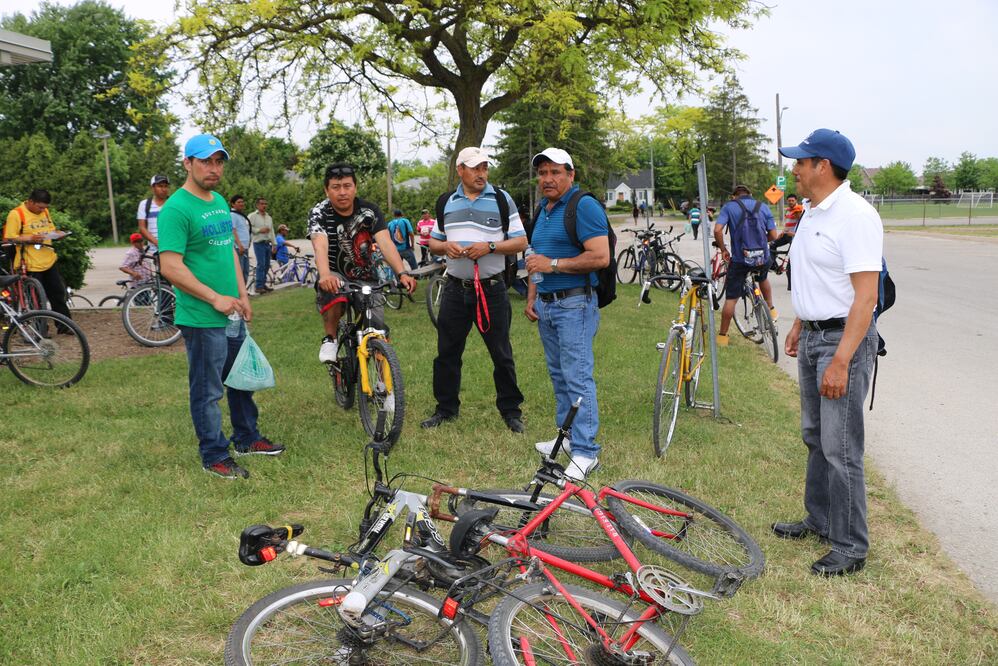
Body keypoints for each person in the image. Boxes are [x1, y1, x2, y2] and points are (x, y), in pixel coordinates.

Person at [774, 128, 883, 576]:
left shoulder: (855, 216)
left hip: (844, 343)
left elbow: (865, 297)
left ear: (823, 166)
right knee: (816, 437)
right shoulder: (814, 212)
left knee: (841, 447)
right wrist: (802, 320)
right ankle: (818, 519)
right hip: (817, 335)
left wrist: (841, 359)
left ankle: (850, 546)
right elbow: (818, 278)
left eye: (801, 161)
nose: (794, 169)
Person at [158, 133, 284, 480]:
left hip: (231, 311)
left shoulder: (217, 201)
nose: (214, 169)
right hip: (202, 316)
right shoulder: (176, 208)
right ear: (188, 163)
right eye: (205, 162)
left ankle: (246, 438)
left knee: (241, 379)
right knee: (208, 389)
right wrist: (215, 298)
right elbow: (170, 266)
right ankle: (213, 454)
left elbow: (226, 250)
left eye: (218, 162)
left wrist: (242, 294)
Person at [420, 146, 528, 433]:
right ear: (460, 170)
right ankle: (445, 409)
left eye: (484, 167)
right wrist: (446, 247)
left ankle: (511, 411)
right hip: (455, 290)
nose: (481, 173)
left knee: (501, 353)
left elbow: (520, 242)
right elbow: (434, 242)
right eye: (474, 167)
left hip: (491, 289)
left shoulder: (502, 200)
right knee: (447, 353)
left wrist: (490, 246)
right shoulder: (446, 202)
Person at [524, 147, 610, 480]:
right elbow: (536, 257)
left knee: (577, 376)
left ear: (570, 175)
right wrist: (533, 295)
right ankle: (568, 438)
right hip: (547, 303)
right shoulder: (544, 210)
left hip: (575, 304)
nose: (547, 179)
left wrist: (554, 265)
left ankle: (586, 452)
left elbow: (600, 256)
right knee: (559, 375)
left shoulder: (583, 206)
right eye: (542, 173)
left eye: (555, 172)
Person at [307, 163, 416, 364]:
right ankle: (330, 339)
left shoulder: (370, 210)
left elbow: (385, 242)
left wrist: (402, 273)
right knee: (334, 291)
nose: (342, 192)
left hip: (366, 276)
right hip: (334, 273)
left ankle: (385, 387)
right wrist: (325, 275)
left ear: (355, 187)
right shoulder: (319, 212)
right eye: (336, 187)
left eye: (347, 186)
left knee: (377, 330)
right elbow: (319, 245)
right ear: (326, 190)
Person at [712, 185, 780, 346]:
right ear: (750, 194)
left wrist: (723, 250)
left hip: (740, 260)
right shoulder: (762, 206)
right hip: (762, 257)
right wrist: (761, 243)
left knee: (731, 298)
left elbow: (717, 230)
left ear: (734, 196)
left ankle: (722, 337)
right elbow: (774, 235)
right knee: (763, 277)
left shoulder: (729, 207)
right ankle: (770, 308)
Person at [3, 189, 72, 324]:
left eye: (45, 208)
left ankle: (65, 325)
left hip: (48, 259)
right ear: (30, 202)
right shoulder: (16, 214)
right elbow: (9, 238)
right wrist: (30, 238)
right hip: (30, 262)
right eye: (40, 207)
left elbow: (51, 229)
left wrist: (59, 234)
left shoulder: (44, 212)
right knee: (36, 299)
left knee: (58, 293)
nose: (42, 210)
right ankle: (40, 329)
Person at [249, 197, 275, 294]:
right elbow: (248, 227)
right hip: (258, 243)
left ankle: (263, 284)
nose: (264, 205)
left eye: (265, 204)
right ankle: (258, 286)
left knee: (267, 265)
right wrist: (259, 230)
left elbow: (272, 231)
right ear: (257, 205)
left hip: (267, 243)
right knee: (261, 264)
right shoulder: (252, 216)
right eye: (262, 204)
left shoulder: (269, 217)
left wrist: (274, 244)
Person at [138, 174, 171, 251]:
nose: (163, 189)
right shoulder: (144, 204)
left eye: (165, 186)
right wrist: (157, 243)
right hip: (153, 251)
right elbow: (142, 228)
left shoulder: (173, 203)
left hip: (172, 249)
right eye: (160, 186)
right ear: (152, 188)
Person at [230, 194, 251, 284]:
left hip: (244, 247)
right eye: (239, 202)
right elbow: (232, 230)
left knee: (245, 271)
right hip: (239, 248)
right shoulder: (233, 215)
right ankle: (239, 294)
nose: (241, 204)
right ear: (232, 204)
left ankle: (243, 293)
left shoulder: (240, 215)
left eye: (242, 202)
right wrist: (239, 245)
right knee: (240, 272)